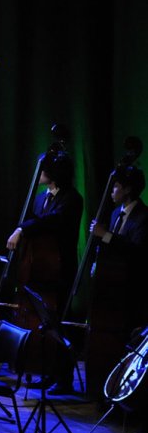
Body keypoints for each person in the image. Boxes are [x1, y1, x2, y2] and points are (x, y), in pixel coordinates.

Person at [86, 165, 148, 401]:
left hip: (132, 292)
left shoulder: (144, 217)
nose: (112, 191)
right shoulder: (114, 214)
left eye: (116, 187)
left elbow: (137, 252)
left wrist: (106, 236)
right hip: (111, 291)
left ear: (129, 189)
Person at [5, 150, 84, 321]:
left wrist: (21, 230)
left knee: (56, 315)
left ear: (54, 173)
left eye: (42, 169)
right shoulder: (40, 198)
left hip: (59, 269)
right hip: (38, 267)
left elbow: (52, 219)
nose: (38, 173)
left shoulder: (72, 198)